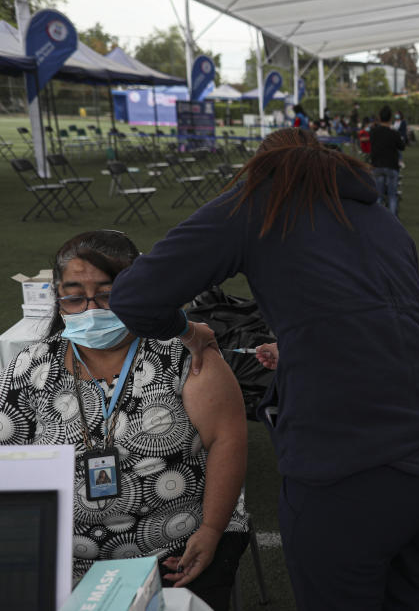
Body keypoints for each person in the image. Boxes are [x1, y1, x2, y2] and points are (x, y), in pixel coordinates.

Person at [108, 128, 419, 610]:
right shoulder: (380, 217)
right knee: (407, 590)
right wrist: (302, 346)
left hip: (354, 465)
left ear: (263, 170)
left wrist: (188, 330)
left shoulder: (260, 202)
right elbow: (384, 325)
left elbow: (134, 297)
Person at [0, 230, 248, 611]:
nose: (91, 309)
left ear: (138, 291)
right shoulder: (31, 365)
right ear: (57, 296)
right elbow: (8, 460)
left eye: (107, 294)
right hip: (65, 557)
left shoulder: (185, 355)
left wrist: (212, 529)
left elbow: (226, 439)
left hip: (173, 549)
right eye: (73, 295)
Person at [369, 105, 405, 216]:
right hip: (391, 165)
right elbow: (401, 146)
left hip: (377, 166)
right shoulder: (394, 133)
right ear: (390, 119)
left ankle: (378, 219)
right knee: (392, 196)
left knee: (378, 196)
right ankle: (393, 222)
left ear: (379, 118)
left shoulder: (373, 132)